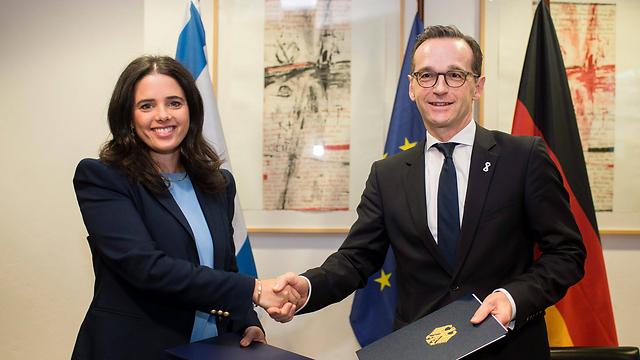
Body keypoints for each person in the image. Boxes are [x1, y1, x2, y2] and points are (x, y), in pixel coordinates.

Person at [268, 26, 587, 359]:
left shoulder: (522, 158)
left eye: (454, 75)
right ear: (411, 87)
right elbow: (355, 259)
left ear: (477, 86)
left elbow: (567, 253)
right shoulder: (387, 175)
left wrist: (512, 298)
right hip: (419, 350)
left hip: (508, 348)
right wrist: (307, 288)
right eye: (427, 76)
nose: (439, 88)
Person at [72, 55, 298, 360]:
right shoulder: (103, 178)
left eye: (174, 103)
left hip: (210, 350)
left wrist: (246, 321)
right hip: (133, 349)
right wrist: (255, 291)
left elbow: (226, 267)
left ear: (191, 110)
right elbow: (148, 269)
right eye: (147, 105)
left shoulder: (218, 184)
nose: (162, 115)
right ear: (128, 116)